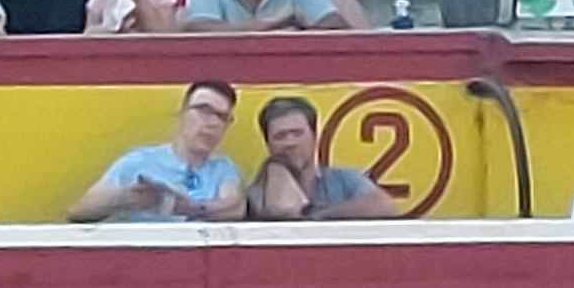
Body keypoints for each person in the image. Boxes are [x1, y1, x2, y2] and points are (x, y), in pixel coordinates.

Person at [72, 80, 247, 220]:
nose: (213, 123)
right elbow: (79, 211)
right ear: (182, 113)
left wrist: (183, 207)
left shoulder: (223, 168)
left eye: (222, 117)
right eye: (204, 110)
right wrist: (124, 199)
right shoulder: (139, 161)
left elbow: (234, 208)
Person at [241, 91, 404, 219]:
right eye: (280, 136)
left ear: (314, 136)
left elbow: (383, 205)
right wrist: (276, 168)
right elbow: (283, 210)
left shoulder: (343, 179)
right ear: (268, 144)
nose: (289, 143)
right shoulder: (257, 192)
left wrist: (319, 215)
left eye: (297, 134)